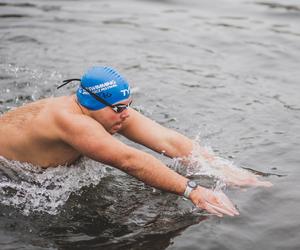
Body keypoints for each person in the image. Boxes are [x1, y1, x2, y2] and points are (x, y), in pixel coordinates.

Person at [0, 66, 271, 217]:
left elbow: (169, 140)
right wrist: (195, 192)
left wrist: (222, 169)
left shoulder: (107, 110)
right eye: (119, 108)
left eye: (129, 105)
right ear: (94, 104)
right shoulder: (71, 122)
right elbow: (130, 160)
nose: (127, 115)